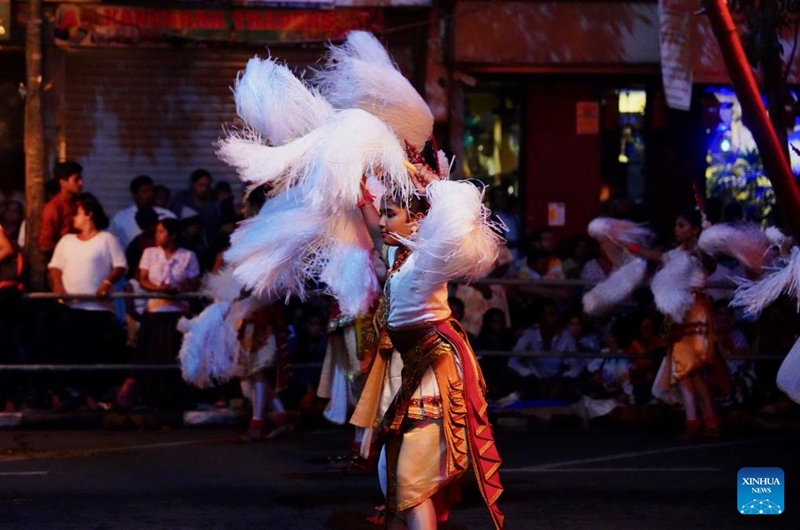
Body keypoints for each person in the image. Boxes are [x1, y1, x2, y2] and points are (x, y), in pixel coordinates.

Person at [351, 162, 505, 530]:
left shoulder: (430, 257)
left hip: (434, 370)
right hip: (410, 368)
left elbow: (457, 218)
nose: (384, 222)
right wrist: (360, 194)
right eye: (384, 213)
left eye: (392, 214)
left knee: (409, 484)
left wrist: (432, 184)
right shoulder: (398, 254)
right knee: (393, 475)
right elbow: (376, 232)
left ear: (418, 221)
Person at [632, 209, 728, 439]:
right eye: (676, 225)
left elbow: (710, 267)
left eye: (681, 225)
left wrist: (698, 248)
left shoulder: (703, 252)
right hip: (677, 312)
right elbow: (654, 255)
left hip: (695, 312)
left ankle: (701, 421)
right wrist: (630, 246)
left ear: (694, 229)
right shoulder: (674, 254)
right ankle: (699, 421)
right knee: (686, 372)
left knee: (690, 369)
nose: (676, 229)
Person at [48, 192, 127, 408]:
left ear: (89, 214)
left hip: (97, 308)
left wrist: (106, 283)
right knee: (66, 351)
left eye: (77, 213)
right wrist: (58, 285)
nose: (73, 217)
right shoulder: (66, 241)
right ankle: (65, 395)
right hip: (70, 306)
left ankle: (92, 395)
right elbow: (55, 266)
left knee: (94, 353)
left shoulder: (107, 239)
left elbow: (119, 265)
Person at [137, 218, 201, 408]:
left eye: (161, 231)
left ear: (172, 235)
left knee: (176, 353)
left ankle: (177, 397)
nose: (157, 235)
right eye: (157, 231)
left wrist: (178, 288)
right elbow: (142, 279)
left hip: (177, 312)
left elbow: (194, 282)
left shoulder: (188, 256)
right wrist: (159, 288)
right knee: (154, 353)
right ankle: (153, 397)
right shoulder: (149, 253)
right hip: (156, 310)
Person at [109, 175, 176, 250]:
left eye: (152, 191)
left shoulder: (167, 215)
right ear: (135, 195)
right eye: (145, 191)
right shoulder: (121, 218)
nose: (150, 194)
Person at [39, 161, 84, 260]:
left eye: (81, 178)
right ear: (63, 183)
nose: (81, 183)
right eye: (76, 179)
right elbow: (45, 245)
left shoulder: (80, 203)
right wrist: (69, 249)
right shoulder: (53, 207)